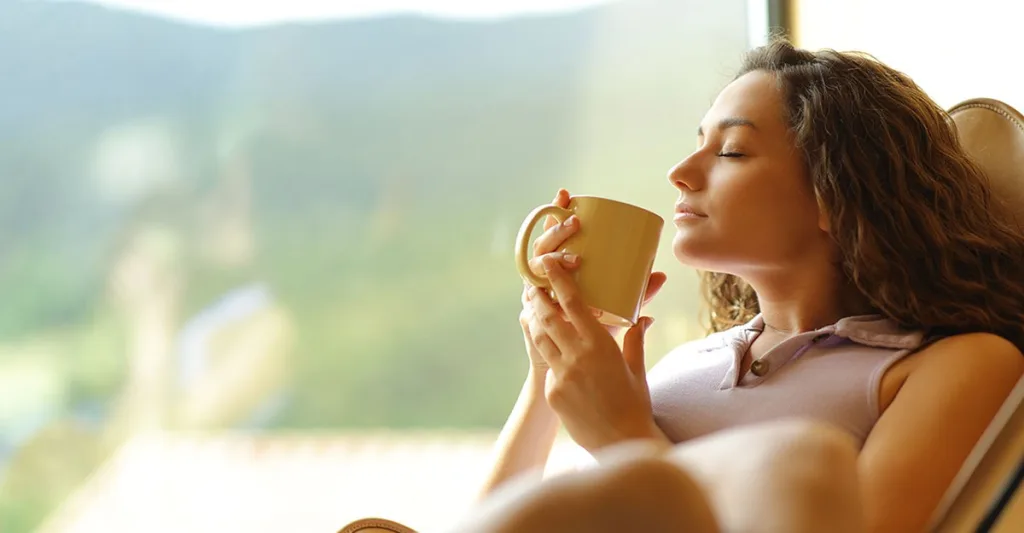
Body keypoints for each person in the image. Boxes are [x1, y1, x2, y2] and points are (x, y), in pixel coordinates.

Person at [462, 38, 1024, 533]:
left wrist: (624, 439)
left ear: (835, 192)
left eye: (730, 151)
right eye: (697, 141)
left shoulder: (959, 366)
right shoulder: (683, 366)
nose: (680, 170)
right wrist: (548, 379)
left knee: (803, 464)